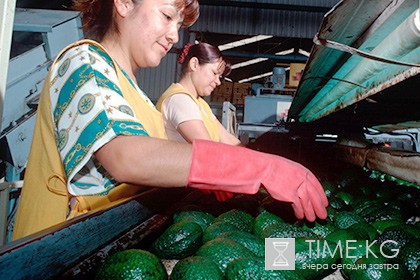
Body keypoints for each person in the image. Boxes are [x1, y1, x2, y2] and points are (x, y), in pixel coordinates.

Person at [12, 0, 328, 241]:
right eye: (166, 16)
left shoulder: (135, 96)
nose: (174, 34)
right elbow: (127, 156)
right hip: (50, 254)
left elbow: (162, 162)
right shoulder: (83, 61)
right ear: (123, 3)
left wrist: (215, 178)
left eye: (178, 23)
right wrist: (261, 167)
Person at [156, 42, 239, 201]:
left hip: (194, 186)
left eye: (220, 76)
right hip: (175, 193)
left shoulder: (200, 104)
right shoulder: (179, 100)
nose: (218, 81)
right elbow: (209, 150)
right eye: (214, 73)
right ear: (194, 64)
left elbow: (227, 139)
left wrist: (258, 160)